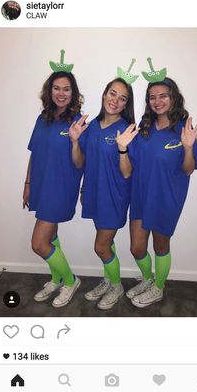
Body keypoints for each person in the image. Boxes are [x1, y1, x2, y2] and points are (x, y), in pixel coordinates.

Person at [122, 60, 197, 307]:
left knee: (160, 244)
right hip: (141, 196)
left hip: (167, 197)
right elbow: (127, 172)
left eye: (163, 96)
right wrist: (122, 149)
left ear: (173, 98)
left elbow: (188, 169)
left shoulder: (183, 129)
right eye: (152, 97)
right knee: (137, 248)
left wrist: (188, 148)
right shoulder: (143, 129)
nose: (157, 101)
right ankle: (148, 278)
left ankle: (158, 287)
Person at [70, 76, 139, 310]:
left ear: (126, 104)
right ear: (104, 94)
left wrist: (122, 148)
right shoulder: (91, 127)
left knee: (100, 246)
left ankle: (117, 285)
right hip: (94, 193)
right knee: (105, 244)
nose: (115, 100)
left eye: (122, 98)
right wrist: (75, 142)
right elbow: (80, 163)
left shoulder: (127, 130)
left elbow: (128, 173)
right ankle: (109, 279)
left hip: (115, 196)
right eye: (112, 93)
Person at [23, 54, 84, 308]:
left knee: (39, 244)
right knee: (51, 236)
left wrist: (74, 140)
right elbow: (34, 153)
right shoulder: (43, 118)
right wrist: (27, 185)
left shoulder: (78, 121)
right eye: (56, 88)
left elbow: (80, 163)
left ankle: (70, 280)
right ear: (50, 91)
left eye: (66, 89)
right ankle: (57, 277)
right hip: (40, 184)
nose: (61, 93)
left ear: (73, 93)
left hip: (61, 187)